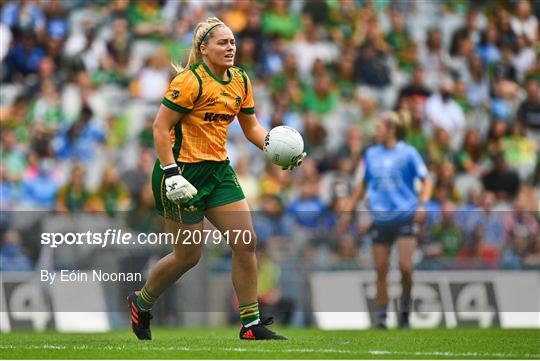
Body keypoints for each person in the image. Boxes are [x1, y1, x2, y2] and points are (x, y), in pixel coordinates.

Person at [127, 17, 304, 341]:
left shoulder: (240, 79)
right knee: (188, 256)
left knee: (245, 241)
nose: (231, 47)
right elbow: (159, 128)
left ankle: (250, 324)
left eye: (233, 42)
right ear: (203, 48)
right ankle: (141, 302)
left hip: (218, 171)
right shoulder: (189, 82)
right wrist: (170, 173)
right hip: (181, 172)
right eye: (223, 43)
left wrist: (277, 149)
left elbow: (251, 128)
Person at [339, 111, 432, 329]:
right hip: (380, 219)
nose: (375, 131)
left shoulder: (409, 153)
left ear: (391, 130)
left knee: (405, 266)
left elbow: (426, 181)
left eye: (379, 127)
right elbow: (363, 184)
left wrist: (422, 204)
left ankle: (406, 309)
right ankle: (382, 317)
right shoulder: (371, 154)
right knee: (381, 268)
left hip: (405, 216)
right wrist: (348, 208)